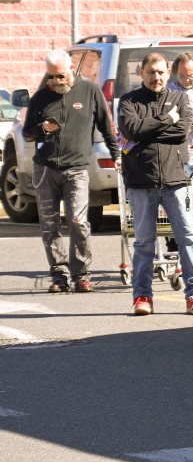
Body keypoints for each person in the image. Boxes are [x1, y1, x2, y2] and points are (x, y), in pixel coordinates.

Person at [21, 49, 121, 293]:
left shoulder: (90, 91)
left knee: (78, 220)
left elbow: (106, 127)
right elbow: (27, 133)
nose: (56, 82)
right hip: (45, 168)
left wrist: (116, 154)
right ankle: (58, 274)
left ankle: (81, 275)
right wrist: (42, 127)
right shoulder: (40, 97)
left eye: (61, 76)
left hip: (76, 168)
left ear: (70, 70)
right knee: (49, 223)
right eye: (51, 77)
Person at [116, 53, 193, 317]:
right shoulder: (129, 101)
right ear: (141, 73)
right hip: (140, 181)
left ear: (168, 73)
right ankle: (142, 295)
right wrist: (167, 119)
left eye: (161, 72)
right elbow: (131, 130)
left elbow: (182, 132)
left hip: (176, 180)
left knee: (187, 237)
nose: (156, 77)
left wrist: (149, 130)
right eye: (151, 72)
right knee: (144, 242)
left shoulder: (180, 99)